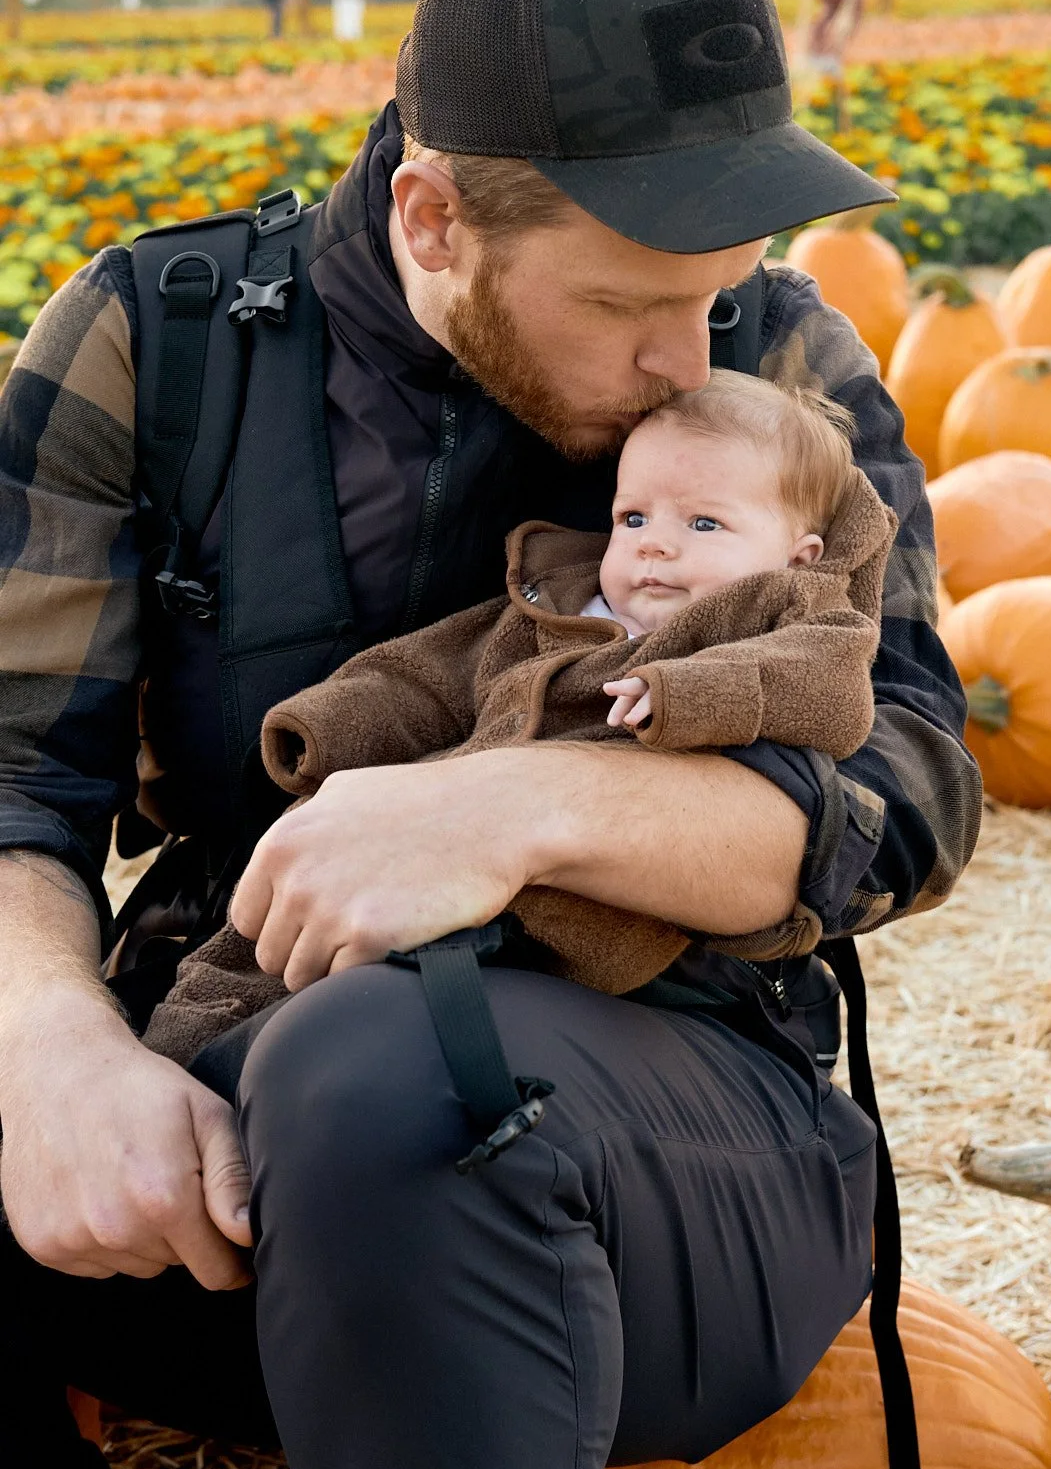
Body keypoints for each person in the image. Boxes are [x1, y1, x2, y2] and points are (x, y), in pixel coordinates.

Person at [0, 0, 981, 1469]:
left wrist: (522, 802)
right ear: (433, 215)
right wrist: (53, 1049)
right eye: (625, 302)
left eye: (718, 292)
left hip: (655, 1177)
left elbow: (910, 782)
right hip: (212, 1161)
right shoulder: (159, 340)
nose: (689, 358)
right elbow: (11, 772)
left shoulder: (779, 362)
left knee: (390, 1064)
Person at [143, 371, 895, 1062]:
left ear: (798, 557)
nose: (655, 545)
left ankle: (267, 1068)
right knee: (247, 952)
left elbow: (830, 694)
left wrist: (692, 695)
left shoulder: (783, 615)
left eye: (704, 524)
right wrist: (329, 725)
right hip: (433, 827)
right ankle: (179, 1063)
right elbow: (435, 674)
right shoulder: (551, 602)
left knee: (353, 1002)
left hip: (579, 894)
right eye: (633, 517)